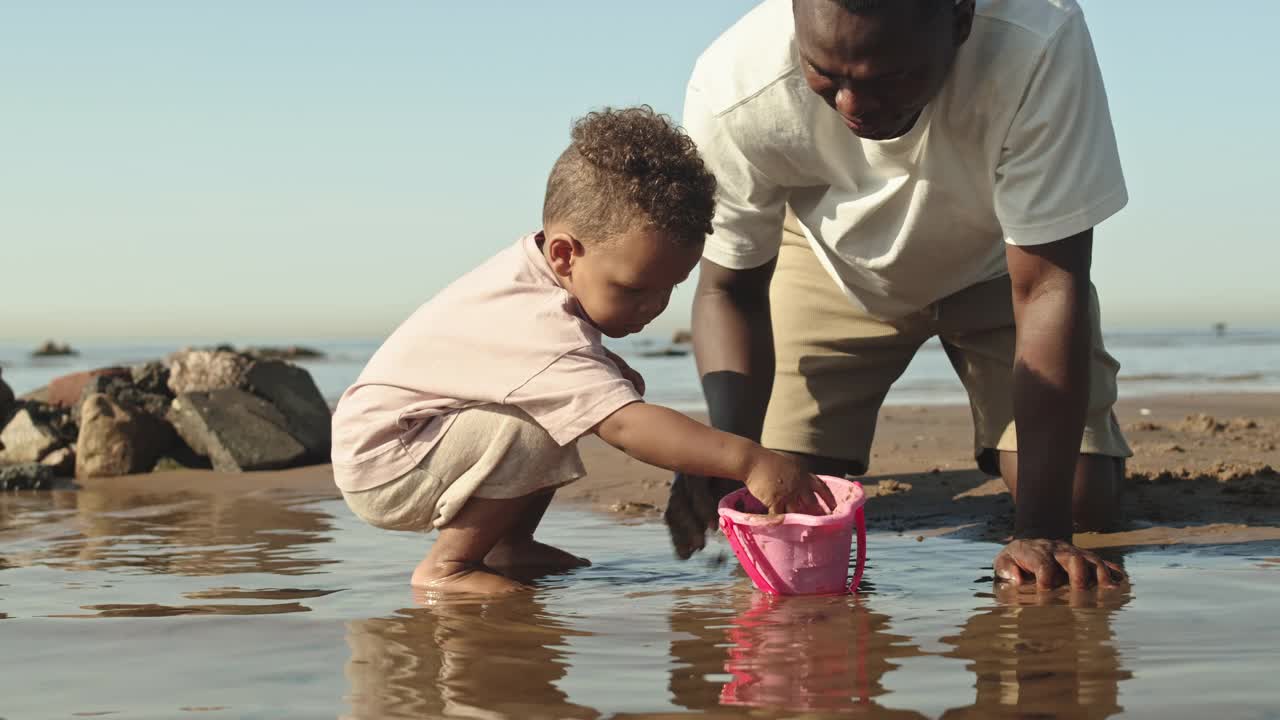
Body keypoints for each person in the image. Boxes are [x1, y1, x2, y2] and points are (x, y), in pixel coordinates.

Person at [665, 0, 1129, 589]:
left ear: (960, 18)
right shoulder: (734, 84)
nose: (853, 107)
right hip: (827, 262)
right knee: (790, 505)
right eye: (826, 77)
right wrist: (727, 454)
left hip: (1004, 264)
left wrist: (1041, 528)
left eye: (889, 77)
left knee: (1083, 504)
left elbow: (1046, 286)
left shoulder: (1037, 39)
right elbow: (729, 287)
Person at [330, 106, 834, 595]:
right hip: (388, 461)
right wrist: (749, 460)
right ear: (565, 254)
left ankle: (508, 544)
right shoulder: (540, 328)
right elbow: (625, 427)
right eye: (635, 289)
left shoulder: (538, 274)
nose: (654, 308)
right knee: (548, 418)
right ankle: (450, 566)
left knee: (603, 385)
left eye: (670, 289)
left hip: (410, 440)